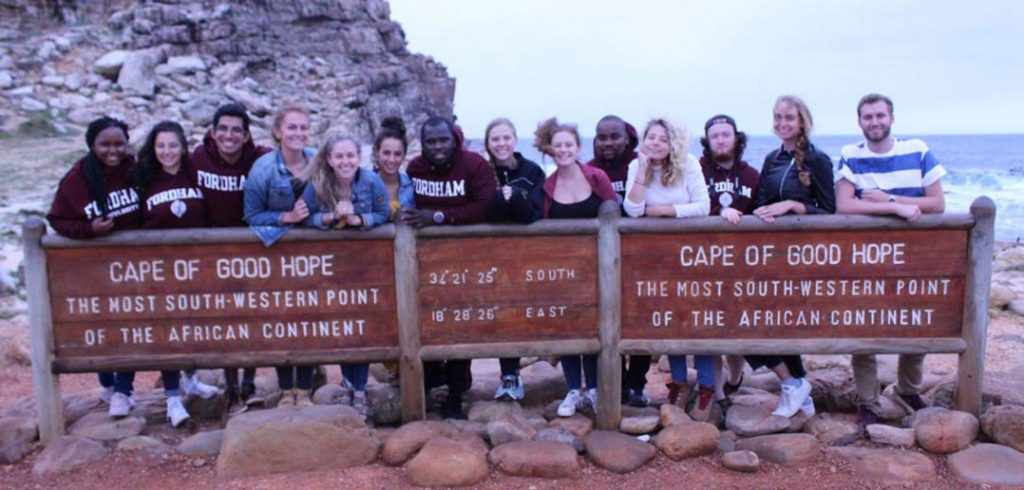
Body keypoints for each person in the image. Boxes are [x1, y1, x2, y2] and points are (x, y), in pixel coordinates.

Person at [836, 93, 946, 427]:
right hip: (865, 257)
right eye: (868, 117)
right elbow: (845, 205)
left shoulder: (918, 150)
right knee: (862, 326)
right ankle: (868, 401)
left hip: (914, 255)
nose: (874, 122)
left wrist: (888, 197)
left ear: (892, 118)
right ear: (859, 122)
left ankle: (907, 389)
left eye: (880, 116)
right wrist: (896, 208)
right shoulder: (849, 155)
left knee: (916, 321)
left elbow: (937, 203)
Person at [400, 116, 497, 419]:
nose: (438, 146)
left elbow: (485, 205)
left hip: (468, 260)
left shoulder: (474, 165)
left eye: (443, 140)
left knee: (461, 324)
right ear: (423, 143)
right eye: (431, 141)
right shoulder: (415, 169)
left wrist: (438, 217)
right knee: (426, 322)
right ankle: (428, 386)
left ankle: (457, 392)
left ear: (454, 139)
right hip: (426, 261)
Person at [47, 116, 141, 418]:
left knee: (133, 329)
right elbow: (58, 220)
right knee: (105, 329)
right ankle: (107, 385)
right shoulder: (77, 180)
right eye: (105, 144)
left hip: (136, 267)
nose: (113, 151)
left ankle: (123, 391)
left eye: (119, 144)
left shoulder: (136, 171)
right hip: (96, 269)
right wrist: (90, 229)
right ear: (92, 145)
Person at [621, 118, 714, 419]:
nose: (656, 143)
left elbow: (703, 206)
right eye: (651, 137)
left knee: (699, 320)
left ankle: (707, 386)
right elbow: (633, 211)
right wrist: (643, 173)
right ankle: (678, 383)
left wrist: (660, 211)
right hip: (656, 258)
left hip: (692, 255)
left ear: (673, 143)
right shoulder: (638, 166)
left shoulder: (689, 164)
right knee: (670, 319)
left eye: (663, 138)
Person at [749, 95, 835, 418]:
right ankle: (797, 385)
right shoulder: (771, 159)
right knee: (757, 321)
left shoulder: (818, 160)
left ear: (802, 122)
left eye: (789, 117)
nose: (782, 123)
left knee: (783, 324)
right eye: (778, 117)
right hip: (770, 256)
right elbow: (759, 202)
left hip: (802, 257)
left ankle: (794, 386)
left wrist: (794, 207)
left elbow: (829, 210)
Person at [133, 120, 220, 426]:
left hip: (196, 268)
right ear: (152, 149)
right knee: (168, 333)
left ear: (183, 147)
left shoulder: (194, 174)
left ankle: (192, 379)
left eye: (173, 145)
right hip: (160, 271)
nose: (167, 152)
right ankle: (172, 398)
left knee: (193, 327)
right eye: (161, 146)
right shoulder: (144, 179)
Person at [299, 133, 390, 417]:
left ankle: (360, 390)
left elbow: (385, 212)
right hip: (331, 267)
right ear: (328, 159)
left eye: (350, 155)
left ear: (359, 157)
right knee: (342, 325)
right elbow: (304, 215)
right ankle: (348, 384)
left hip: (363, 265)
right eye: (339, 156)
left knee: (360, 325)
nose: (345, 161)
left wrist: (360, 220)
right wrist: (327, 218)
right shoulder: (317, 185)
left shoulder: (371, 181)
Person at [190, 102, 272, 415]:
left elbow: (294, 167)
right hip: (213, 253)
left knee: (252, 317)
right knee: (224, 321)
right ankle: (230, 387)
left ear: (246, 135)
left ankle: (249, 383)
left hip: (252, 251)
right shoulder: (198, 158)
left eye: (236, 129)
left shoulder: (260, 158)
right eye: (223, 128)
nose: (229, 135)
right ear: (212, 132)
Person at [535, 118, 618, 417]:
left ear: (578, 147)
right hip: (562, 268)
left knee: (595, 327)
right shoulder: (547, 186)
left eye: (568, 144)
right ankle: (573, 389)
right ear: (550, 150)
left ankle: (594, 390)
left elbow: (614, 213)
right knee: (566, 325)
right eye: (558, 145)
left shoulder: (596, 177)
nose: (563, 150)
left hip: (598, 266)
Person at [243, 101, 317, 407]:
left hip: (314, 255)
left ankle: (307, 390)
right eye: (291, 127)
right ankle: (287, 390)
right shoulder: (262, 169)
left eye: (303, 127)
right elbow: (250, 214)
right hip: (277, 254)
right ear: (277, 131)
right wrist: (284, 217)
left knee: (312, 319)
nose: (298, 133)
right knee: (283, 320)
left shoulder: (317, 162)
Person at [585, 115, 652, 407]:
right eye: (602, 137)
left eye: (615, 136)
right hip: (601, 262)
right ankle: (617, 383)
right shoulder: (588, 170)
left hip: (641, 258)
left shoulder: (642, 164)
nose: (608, 143)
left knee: (639, 323)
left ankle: (637, 384)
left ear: (627, 138)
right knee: (607, 323)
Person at [698, 114, 760, 409]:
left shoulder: (751, 175)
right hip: (703, 263)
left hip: (742, 265)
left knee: (737, 330)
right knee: (712, 330)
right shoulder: (696, 171)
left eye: (726, 134)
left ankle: (736, 378)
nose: (721, 140)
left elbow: (763, 209)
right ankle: (719, 395)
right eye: (715, 136)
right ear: (707, 141)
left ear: (736, 137)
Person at [483, 117, 544, 401]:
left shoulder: (532, 171)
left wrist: (513, 199)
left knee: (521, 312)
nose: (501, 143)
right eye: (495, 139)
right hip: (489, 255)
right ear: (488, 143)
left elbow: (533, 214)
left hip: (525, 254)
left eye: (506, 137)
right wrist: (500, 200)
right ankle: (509, 377)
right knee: (498, 313)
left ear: (515, 140)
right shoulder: (482, 171)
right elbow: (482, 212)